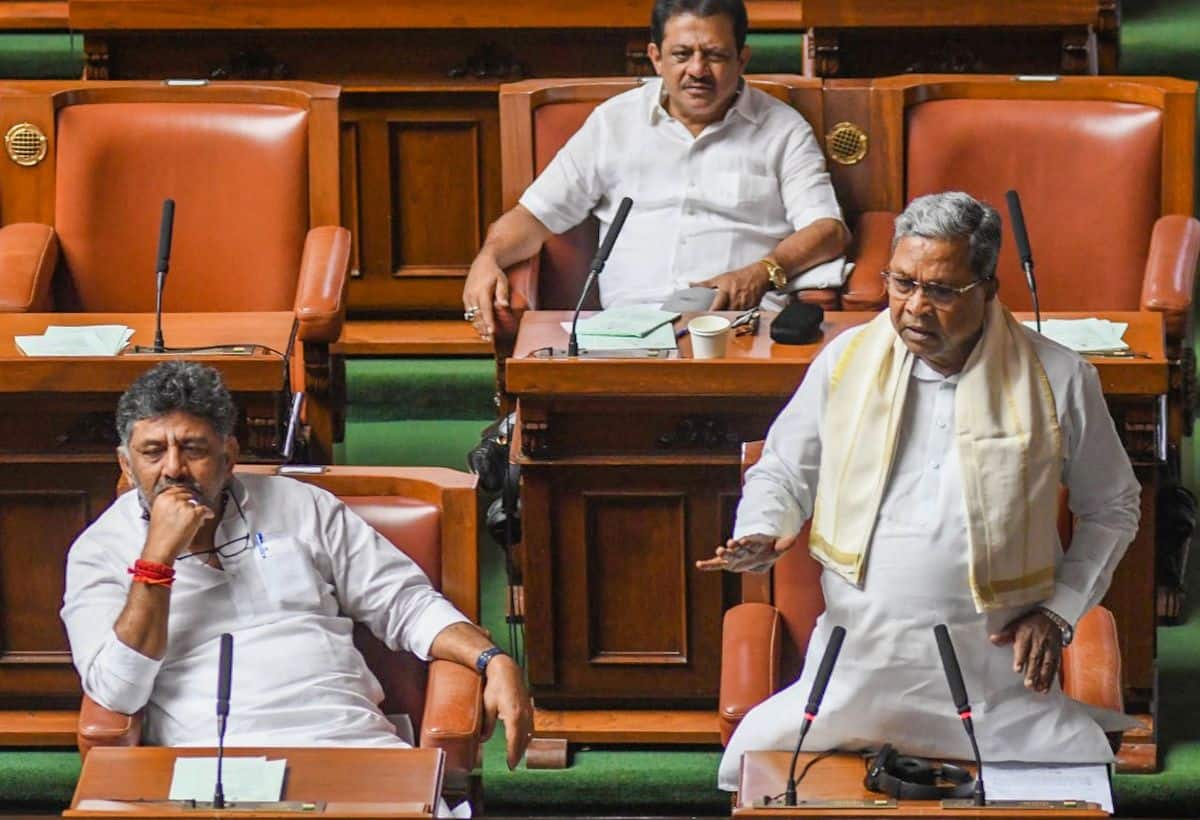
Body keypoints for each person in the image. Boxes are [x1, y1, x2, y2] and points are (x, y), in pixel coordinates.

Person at [698, 191, 1141, 790]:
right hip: (853, 678)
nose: (914, 307)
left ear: (988, 288)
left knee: (1078, 780)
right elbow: (782, 469)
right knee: (751, 770)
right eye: (902, 282)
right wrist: (763, 526)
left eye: (941, 290)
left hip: (997, 685)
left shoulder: (1058, 378)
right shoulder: (845, 360)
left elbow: (1113, 507)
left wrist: (1060, 611)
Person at [61, 361, 533, 770]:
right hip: (212, 764)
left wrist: (492, 658)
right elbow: (118, 692)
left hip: (347, 741)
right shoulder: (100, 550)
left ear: (229, 456)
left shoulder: (302, 505)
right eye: (152, 452)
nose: (173, 469)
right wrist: (156, 561)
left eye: (194, 448)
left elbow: (405, 604)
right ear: (126, 465)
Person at [462, 0, 848, 340]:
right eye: (681, 54)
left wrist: (763, 271)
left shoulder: (782, 128)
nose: (697, 70)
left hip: (739, 328)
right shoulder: (613, 123)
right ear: (656, 57)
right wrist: (488, 258)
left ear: (741, 59)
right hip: (625, 333)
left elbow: (828, 230)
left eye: (714, 55)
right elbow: (533, 217)